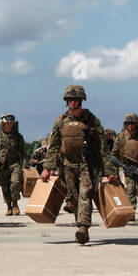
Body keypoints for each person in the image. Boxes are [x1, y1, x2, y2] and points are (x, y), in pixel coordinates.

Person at [42, 83, 104, 244]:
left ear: (81, 101)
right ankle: (81, 226)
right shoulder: (61, 121)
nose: (73, 102)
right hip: (67, 165)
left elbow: (102, 146)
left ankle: (83, 227)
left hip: (86, 164)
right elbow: (54, 145)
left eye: (75, 100)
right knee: (75, 197)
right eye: (70, 100)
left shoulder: (91, 120)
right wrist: (47, 168)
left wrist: (109, 171)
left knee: (85, 194)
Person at [107, 113, 138, 219]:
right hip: (128, 168)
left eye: (132, 123)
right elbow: (114, 155)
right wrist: (114, 172)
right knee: (130, 190)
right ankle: (132, 212)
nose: (130, 126)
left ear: (137, 124)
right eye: (128, 123)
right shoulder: (121, 137)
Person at [0, 113, 26, 216]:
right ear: (3, 123)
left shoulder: (18, 136)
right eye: (7, 123)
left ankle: (15, 204)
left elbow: (23, 151)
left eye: (11, 123)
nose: (9, 125)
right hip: (2, 165)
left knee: (16, 183)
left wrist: (25, 165)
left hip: (15, 164)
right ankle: (9, 207)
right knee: (5, 186)